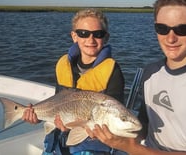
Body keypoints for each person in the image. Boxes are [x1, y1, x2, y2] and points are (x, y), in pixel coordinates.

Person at [89, 0, 186, 155]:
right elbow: (143, 123)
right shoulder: (151, 73)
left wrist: (130, 148)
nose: (171, 38)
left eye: (183, 29)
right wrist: (109, 134)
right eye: (162, 28)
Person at [22, 8, 125, 155]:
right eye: (83, 33)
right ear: (74, 36)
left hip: (90, 143)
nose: (90, 40)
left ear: (106, 37)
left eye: (98, 34)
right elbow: (58, 101)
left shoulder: (112, 71)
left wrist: (82, 128)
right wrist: (37, 116)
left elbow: (113, 115)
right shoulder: (63, 65)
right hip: (58, 138)